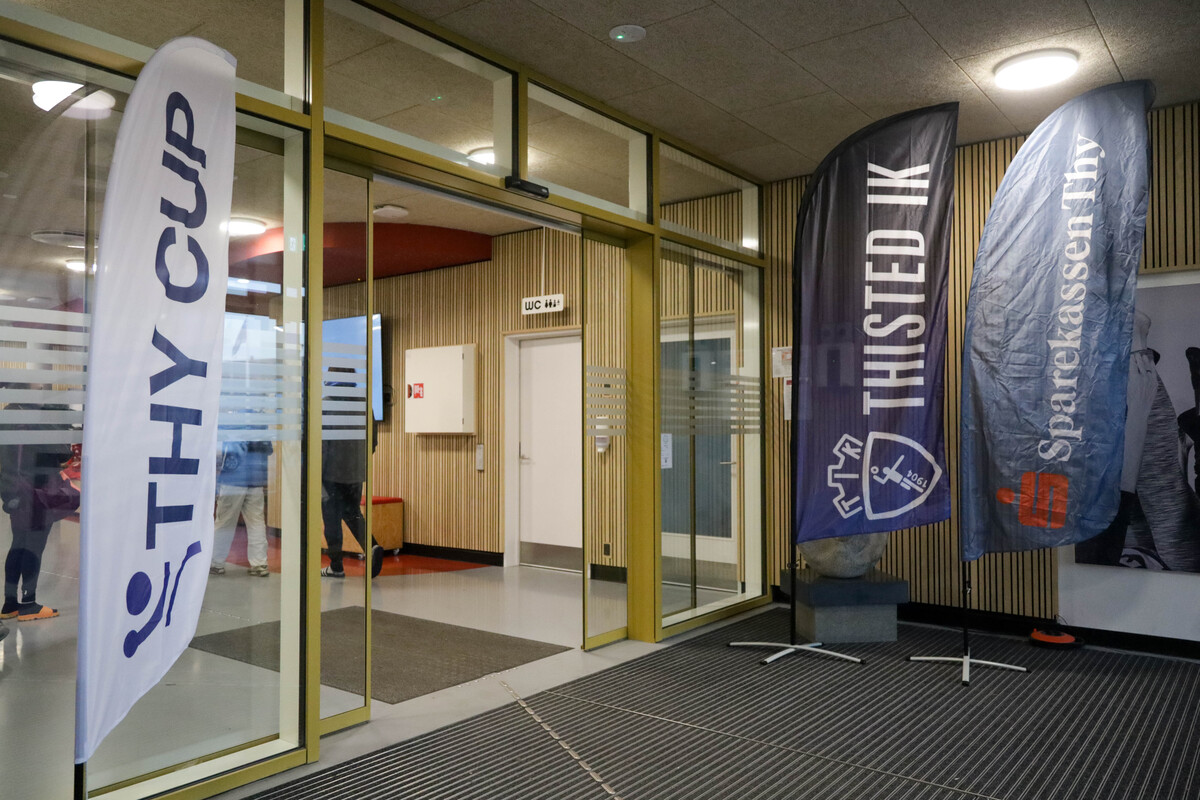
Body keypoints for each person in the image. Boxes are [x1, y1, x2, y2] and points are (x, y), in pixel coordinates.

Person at [0, 411, 78, 621]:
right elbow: (63, 454)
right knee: (34, 547)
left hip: (16, 492)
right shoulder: (38, 420)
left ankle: (10, 604)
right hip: (38, 492)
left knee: (18, 545)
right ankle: (29, 604)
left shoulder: (9, 416)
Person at [210, 438, 273, 577]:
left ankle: (216, 563)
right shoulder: (260, 425)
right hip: (256, 479)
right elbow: (268, 449)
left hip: (233, 478)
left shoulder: (235, 425)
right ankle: (259, 564)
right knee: (256, 522)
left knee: (225, 522)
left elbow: (222, 449)